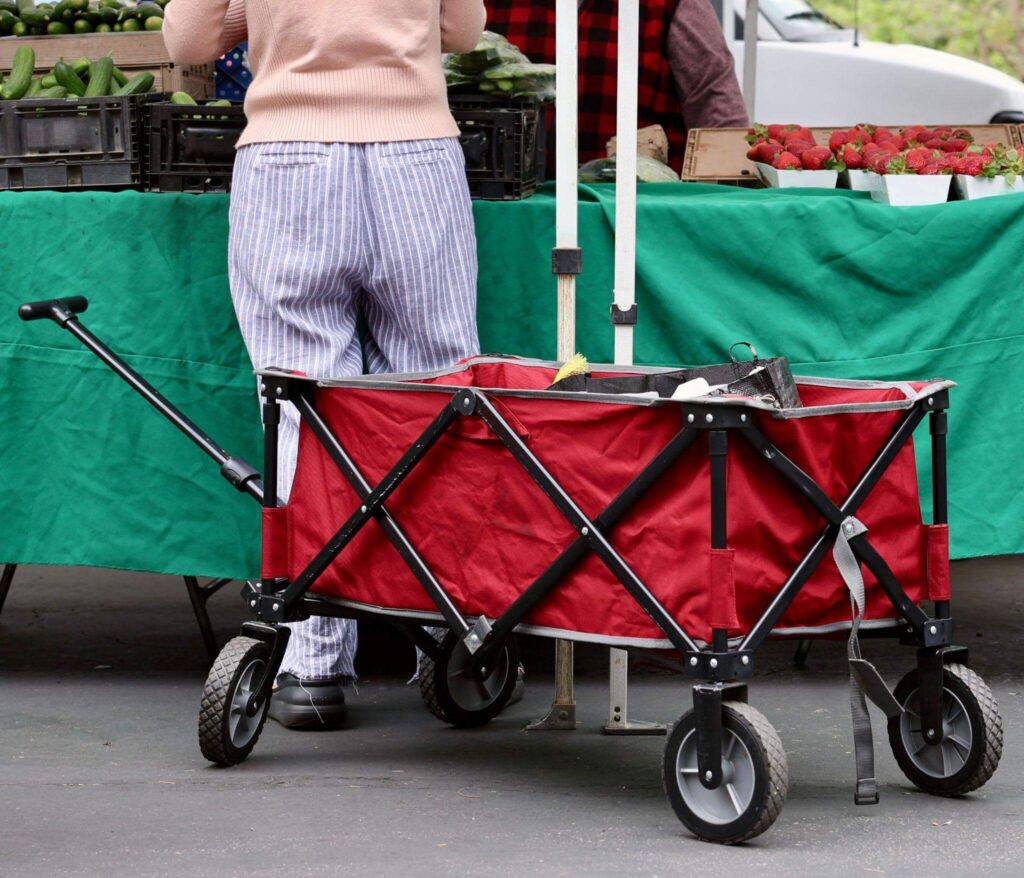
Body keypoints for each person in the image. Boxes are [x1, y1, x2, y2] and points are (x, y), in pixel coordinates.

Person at [164, 0, 487, 730]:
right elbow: (464, 32)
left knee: (298, 403)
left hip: (288, 161)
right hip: (417, 158)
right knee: (437, 399)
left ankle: (312, 665)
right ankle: (449, 638)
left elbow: (189, 40)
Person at [484, 0, 748, 171]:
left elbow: (720, 117)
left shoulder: (672, 5)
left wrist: (735, 204)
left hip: (640, 218)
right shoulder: (482, 7)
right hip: (514, 213)